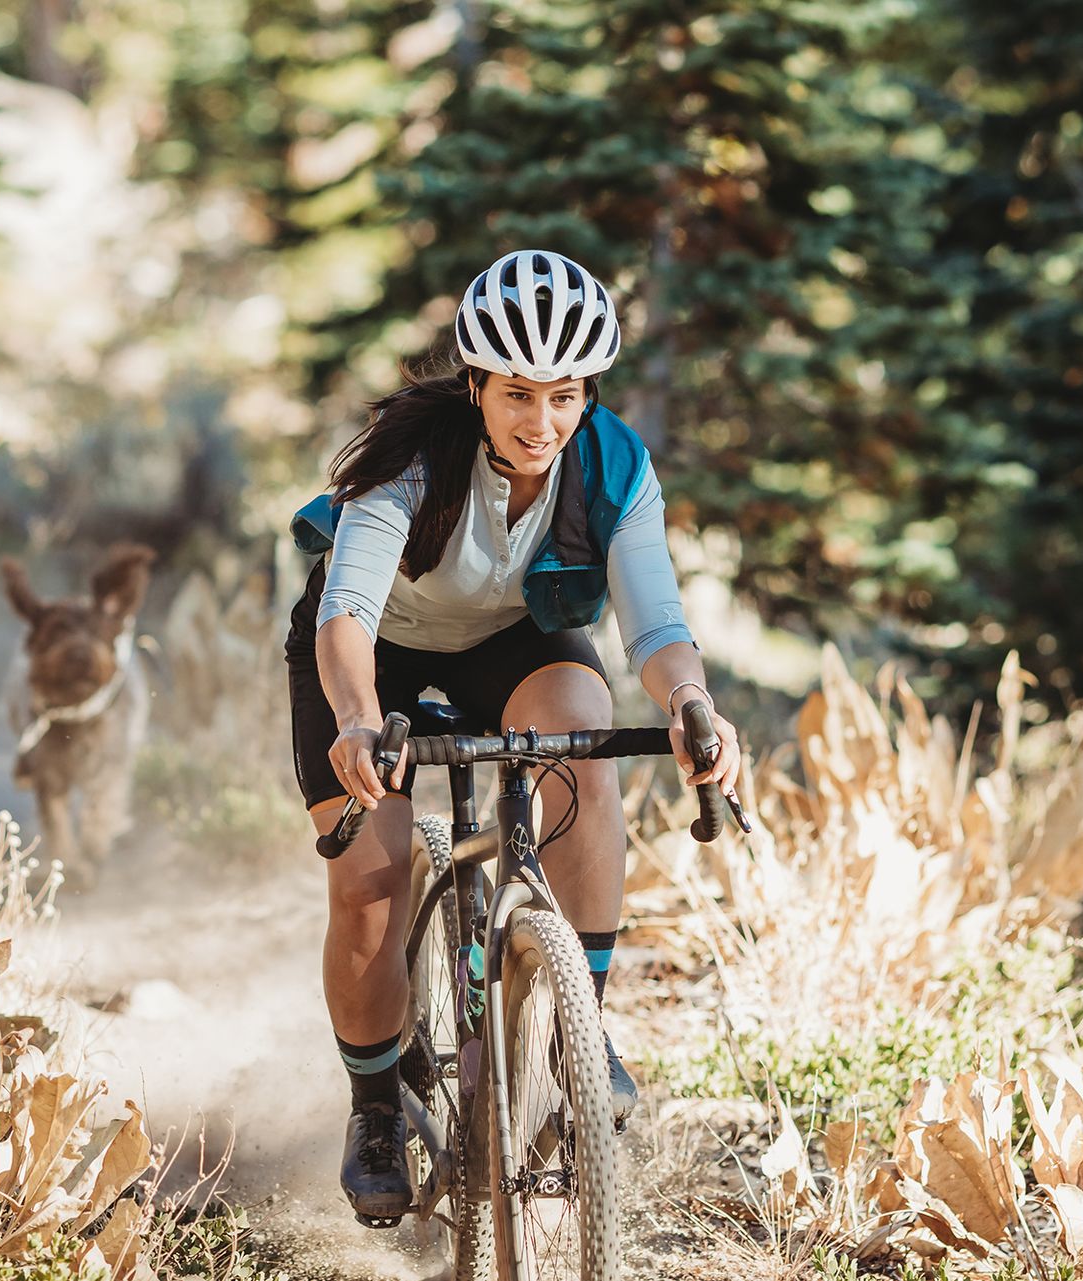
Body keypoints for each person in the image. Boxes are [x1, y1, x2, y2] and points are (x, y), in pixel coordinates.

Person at [283, 249, 744, 1222]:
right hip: (376, 655)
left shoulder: (614, 462)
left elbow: (655, 625)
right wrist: (360, 722)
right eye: (519, 397)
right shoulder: (410, 457)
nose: (542, 424)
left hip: (512, 636)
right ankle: (374, 1106)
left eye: (565, 397)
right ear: (478, 385)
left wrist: (691, 704)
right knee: (372, 872)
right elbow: (348, 610)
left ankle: (585, 1027)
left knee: (584, 742)